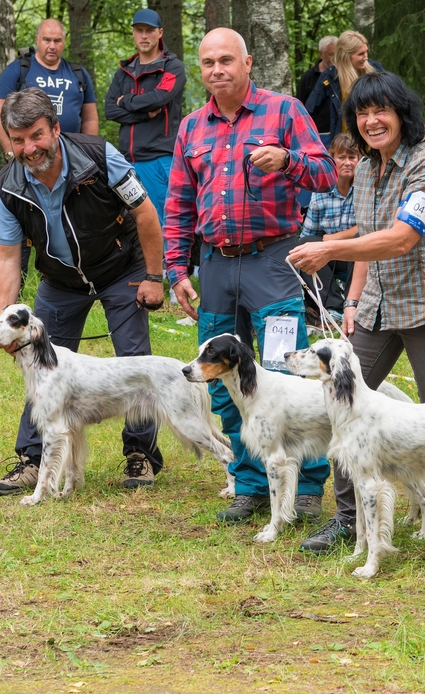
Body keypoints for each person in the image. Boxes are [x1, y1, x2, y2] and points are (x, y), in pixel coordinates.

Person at [286, 72, 425, 561]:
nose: (371, 121)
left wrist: (329, 249)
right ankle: (348, 517)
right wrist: (352, 302)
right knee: (342, 405)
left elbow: (401, 238)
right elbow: (370, 244)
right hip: (374, 309)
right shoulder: (368, 169)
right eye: (363, 113)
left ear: (401, 114)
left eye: (381, 111)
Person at [165, 27, 338, 525]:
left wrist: (288, 160)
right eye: (207, 62)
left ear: (247, 63)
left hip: (272, 261)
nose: (216, 70)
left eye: (226, 60)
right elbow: (177, 204)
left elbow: (327, 173)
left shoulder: (284, 111)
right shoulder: (191, 127)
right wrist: (177, 268)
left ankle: (307, 486)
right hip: (216, 265)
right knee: (220, 378)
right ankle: (250, 485)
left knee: (287, 374)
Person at [0, 88, 167, 497]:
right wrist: (3, 319)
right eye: (18, 140)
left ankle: (140, 454)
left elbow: (145, 213)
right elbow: (6, 256)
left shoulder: (100, 156)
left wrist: (154, 276)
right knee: (40, 366)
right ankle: (34, 460)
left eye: (36, 135)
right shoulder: (7, 186)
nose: (29, 148)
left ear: (55, 128)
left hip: (121, 268)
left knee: (134, 360)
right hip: (61, 281)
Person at [103, 9, 187, 226]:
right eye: (139, 30)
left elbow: (159, 98)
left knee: (165, 223)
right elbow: (110, 110)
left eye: (149, 30)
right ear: (133, 33)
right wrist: (143, 115)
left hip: (159, 158)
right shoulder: (124, 71)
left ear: (160, 33)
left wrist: (126, 100)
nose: (144, 35)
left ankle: (170, 253)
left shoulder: (172, 67)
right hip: (127, 162)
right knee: (133, 224)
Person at [0, 19, 99, 157]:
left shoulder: (78, 73)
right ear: (37, 40)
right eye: (47, 40)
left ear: (64, 41)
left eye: (57, 41)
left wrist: (88, 153)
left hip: (72, 155)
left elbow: (90, 119)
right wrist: (11, 152)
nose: (52, 46)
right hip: (30, 154)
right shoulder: (18, 70)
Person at [299, 133, 360, 315]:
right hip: (332, 256)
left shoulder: (366, 188)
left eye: (352, 157)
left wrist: (334, 238)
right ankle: (334, 308)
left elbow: (369, 227)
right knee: (304, 246)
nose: (347, 163)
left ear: (359, 161)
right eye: (341, 157)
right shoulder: (320, 192)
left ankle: (355, 304)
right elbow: (308, 235)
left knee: (361, 238)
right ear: (332, 160)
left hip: (359, 253)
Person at [305, 30, 384, 145]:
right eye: (361, 54)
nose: (366, 57)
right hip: (345, 143)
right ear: (346, 56)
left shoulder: (376, 70)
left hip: (373, 137)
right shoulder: (330, 76)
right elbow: (308, 111)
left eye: (366, 52)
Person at [297, 35, 338, 139]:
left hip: (338, 133)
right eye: (331, 54)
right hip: (315, 134)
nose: (335, 59)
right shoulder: (308, 77)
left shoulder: (340, 76)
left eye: (337, 54)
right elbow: (299, 106)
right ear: (321, 54)